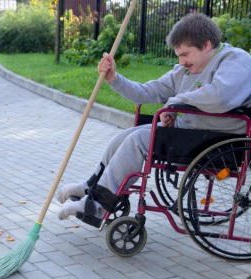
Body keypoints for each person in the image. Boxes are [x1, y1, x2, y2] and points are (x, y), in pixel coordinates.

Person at [56, 13, 251, 220]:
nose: (181, 61)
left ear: (206, 44)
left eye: (185, 54)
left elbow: (220, 97)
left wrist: (176, 103)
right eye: (178, 55)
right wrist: (114, 78)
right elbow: (145, 92)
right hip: (193, 134)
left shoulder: (235, 60)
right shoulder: (183, 71)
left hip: (220, 139)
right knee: (127, 135)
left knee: (138, 140)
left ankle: (98, 206)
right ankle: (91, 186)